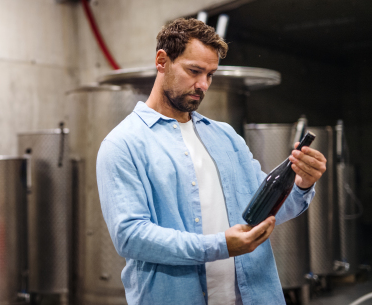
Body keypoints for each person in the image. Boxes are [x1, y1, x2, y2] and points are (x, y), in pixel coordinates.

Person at [96, 18, 327, 305]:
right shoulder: (123, 144)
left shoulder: (226, 137)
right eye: (194, 71)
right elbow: (131, 236)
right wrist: (220, 246)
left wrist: (303, 184)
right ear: (162, 61)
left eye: (210, 74)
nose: (202, 85)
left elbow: (266, 210)